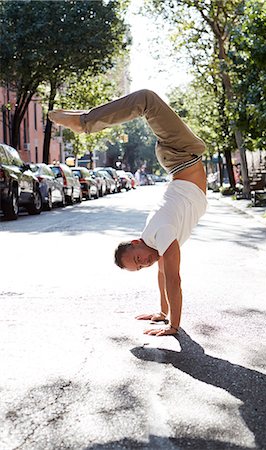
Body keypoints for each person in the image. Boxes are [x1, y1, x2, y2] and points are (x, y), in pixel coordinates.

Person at [48, 89, 207, 336]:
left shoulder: (161, 233)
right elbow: (163, 272)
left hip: (182, 156)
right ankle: (84, 121)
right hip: (178, 160)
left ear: (135, 243)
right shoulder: (155, 240)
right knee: (146, 103)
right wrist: (163, 313)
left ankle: (84, 122)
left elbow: (174, 281)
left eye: (137, 259)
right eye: (140, 266)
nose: (144, 263)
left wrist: (173, 326)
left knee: (146, 100)